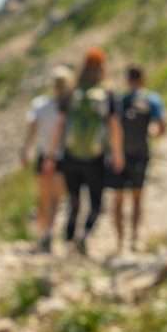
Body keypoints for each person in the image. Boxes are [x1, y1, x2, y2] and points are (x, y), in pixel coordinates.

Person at [46, 48, 123, 255]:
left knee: (74, 200)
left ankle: (69, 239)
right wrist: (117, 154)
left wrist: (52, 155)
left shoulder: (72, 92)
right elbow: (114, 125)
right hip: (95, 156)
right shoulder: (107, 93)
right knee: (96, 202)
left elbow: (60, 125)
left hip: (71, 155)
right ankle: (85, 235)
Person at [110, 65, 166, 252]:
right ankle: (134, 239)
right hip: (141, 153)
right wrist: (151, 135)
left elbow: (113, 126)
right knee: (137, 198)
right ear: (143, 79)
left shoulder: (120, 100)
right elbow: (162, 127)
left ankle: (119, 241)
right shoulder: (152, 99)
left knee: (118, 199)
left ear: (128, 80)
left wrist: (116, 153)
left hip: (120, 155)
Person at [21, 65, 74, 252]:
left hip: (44, 156)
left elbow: (31, 129)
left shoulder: (40, 105)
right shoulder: (68, 107)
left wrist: (25, 150)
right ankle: (49, 232)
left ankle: (43, 234)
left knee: (43, 199)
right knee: (56, 199)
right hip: (62, 158)